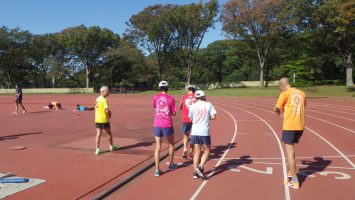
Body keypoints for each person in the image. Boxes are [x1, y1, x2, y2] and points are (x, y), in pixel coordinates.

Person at [274, 77, 306, 189]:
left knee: (290, 153)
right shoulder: (302, 93)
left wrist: (281, 115)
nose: (281, 90)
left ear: (283, 86)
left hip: (290, 126)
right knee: (291, 152)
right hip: (300, 126)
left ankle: (295, 180)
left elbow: (276, 108)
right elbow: (302, 106)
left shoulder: (285, 93)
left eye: (280, 88)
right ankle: (289, 172)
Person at [189, 90, 217, 179]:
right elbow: (213, 117)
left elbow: (190, 118)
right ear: (204, 97)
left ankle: (195, 172)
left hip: (194, 131)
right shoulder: (208, 104)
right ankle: (200, 166)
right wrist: (206, 117)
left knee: (197, 152)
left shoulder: (193, 106)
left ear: (196, 97)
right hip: (204, 132)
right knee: (207, 150)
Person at [152, 81, 178, 176]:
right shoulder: (171, 98)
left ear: (159, 88)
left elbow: (155, 107)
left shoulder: (155, 97)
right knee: (171, 144)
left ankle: (157, 169)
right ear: (168, 88)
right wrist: (168, 111)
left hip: (157, 124)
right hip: (167, 124)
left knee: (158, 146)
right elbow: (174, 113)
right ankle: (171, 164)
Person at [95, 86, 119, 155]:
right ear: (103, 92)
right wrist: (110, 114)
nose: (109, 92)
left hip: (97, 119)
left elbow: (97, 107)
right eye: (107, 91)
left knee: (98, 134)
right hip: (104, 119)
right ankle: (111, 146)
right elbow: (106, 110)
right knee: (109, 133)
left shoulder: (97, 98)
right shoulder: (104, 100)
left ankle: (97, 149)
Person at [179, 85, 196, 159]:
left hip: (185, 118)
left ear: (188, 90)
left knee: (186, 134)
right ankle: (191, 152)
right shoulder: (197, 97)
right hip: (195, 119)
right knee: (193, 136)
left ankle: (185, 149)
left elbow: (180, 107)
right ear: (194, 90)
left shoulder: (183, 97)